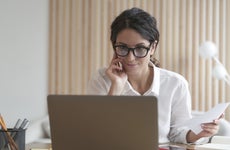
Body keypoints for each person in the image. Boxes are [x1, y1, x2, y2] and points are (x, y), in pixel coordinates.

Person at [87, 7, 220, 144]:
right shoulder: (101, 79)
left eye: (140, 48)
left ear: (152, 47)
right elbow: (95, 133)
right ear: (114, 47)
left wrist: (198, 133)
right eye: (122, 48)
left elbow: (177, 134)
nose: (130, 58)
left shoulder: (175, 83)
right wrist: (115, 87)